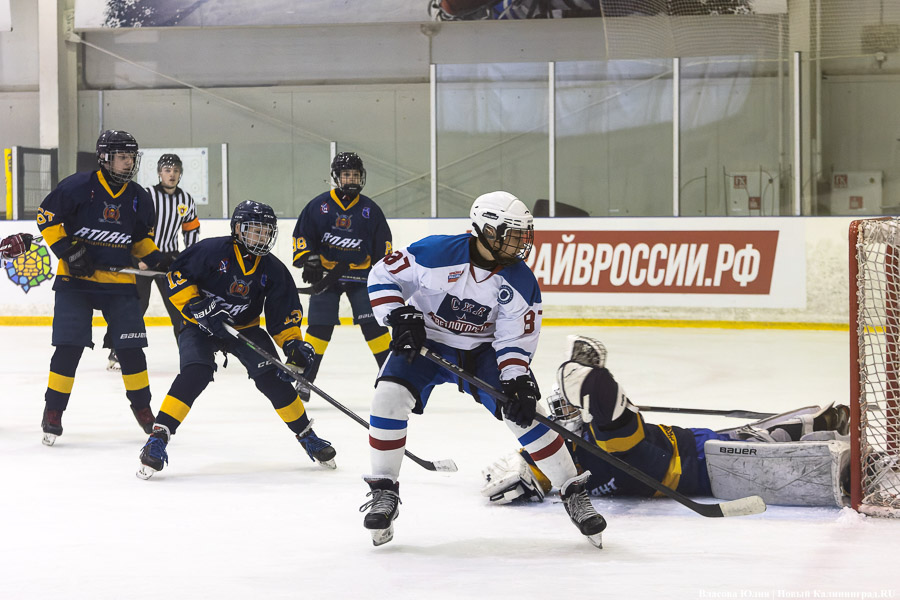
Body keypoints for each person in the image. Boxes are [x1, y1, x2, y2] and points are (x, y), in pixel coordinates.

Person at [360, 190, 606, 548]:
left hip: (481, 351)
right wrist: (398, 316)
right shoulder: (435, 253)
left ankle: (573, 492)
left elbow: (512, 342)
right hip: (427, 342)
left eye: (524, 235)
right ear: (487, 230)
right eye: (513, 234)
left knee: (528, 414)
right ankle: (384, 490)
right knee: (387, 398)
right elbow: (383, 275)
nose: (522, 243)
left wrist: (517, 380)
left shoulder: (521, 282)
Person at [481, 335, 852, 505]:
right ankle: (812, 424)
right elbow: (532, 465)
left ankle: (815, 424)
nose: (564, 418)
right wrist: (519, 474)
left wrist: (593, 383)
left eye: (568, 407)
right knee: (750, 439)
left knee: (755, 442)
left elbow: (615, 432)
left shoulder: (595, 433)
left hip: (689, 456)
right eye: (560, 410)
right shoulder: (561, 454)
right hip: (674, 464)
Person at [136, 200, 337, 479]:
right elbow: (176, 276)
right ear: (238, 230)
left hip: (244, 329)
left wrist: (293, 345)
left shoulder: (273, 270)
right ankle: (158, 437)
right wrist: (197, 305)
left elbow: (283, 316)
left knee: (274, 378)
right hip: (199, 326)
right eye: (254, 230)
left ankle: (306, 435)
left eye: (266, 232)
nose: (261, 237)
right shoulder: (211, 251)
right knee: (196, 372)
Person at [36, 130, 165, 446]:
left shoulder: (139, 196)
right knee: (69, 347)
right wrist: (69, 250)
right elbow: (46, 217)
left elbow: (139, 239)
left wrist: (156, 256)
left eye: (132, 156)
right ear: (105, 158)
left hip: (118, 283)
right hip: (75, 282)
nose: (128, 162)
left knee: (132, 350)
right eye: (122, 156)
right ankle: (53, 410)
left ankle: (143, 408)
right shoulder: (79, 186)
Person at [291, 152, 393, 401]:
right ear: (336, 177)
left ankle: (392, 377)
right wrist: (309, 258)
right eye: (347, 174)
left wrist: (382, 274)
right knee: (319, 327)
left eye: (356, 175)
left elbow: (384, 246)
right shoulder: (319, 206)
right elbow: (303, 236)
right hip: (327, 276)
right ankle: (305, 379)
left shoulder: (371, 210)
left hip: (361, 276)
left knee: (374, 325)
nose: (351, 179)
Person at [105, 153, 201, 370]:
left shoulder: (185, 200)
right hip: (142, 257)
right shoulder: (146, 195)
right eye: (167, 170)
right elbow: (130, 224)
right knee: (136, 307)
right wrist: (136, 256)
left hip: (169, 260)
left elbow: (191, 232)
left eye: (176, 170)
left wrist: (191, 260)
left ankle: (190, 354)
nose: (172, 174)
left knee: (180, 308)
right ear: (159, 173)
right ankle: (118, 351)